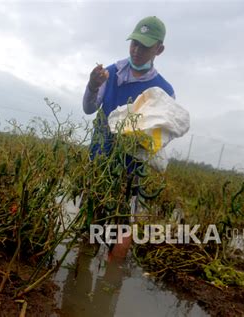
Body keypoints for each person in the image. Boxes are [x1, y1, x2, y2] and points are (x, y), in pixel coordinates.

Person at [82, 16, 175, 260]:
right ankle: (83, 274)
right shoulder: (109, 73)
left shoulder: (163, 91)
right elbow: (89, 108)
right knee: (90, 221)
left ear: (159, 49)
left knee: (122, 227)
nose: (136, 50)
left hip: (130, 170)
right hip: (99, 163)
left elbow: (161, 136)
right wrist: (92, 85)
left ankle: (111, 281)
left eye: (144, 46)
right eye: (134, 43)